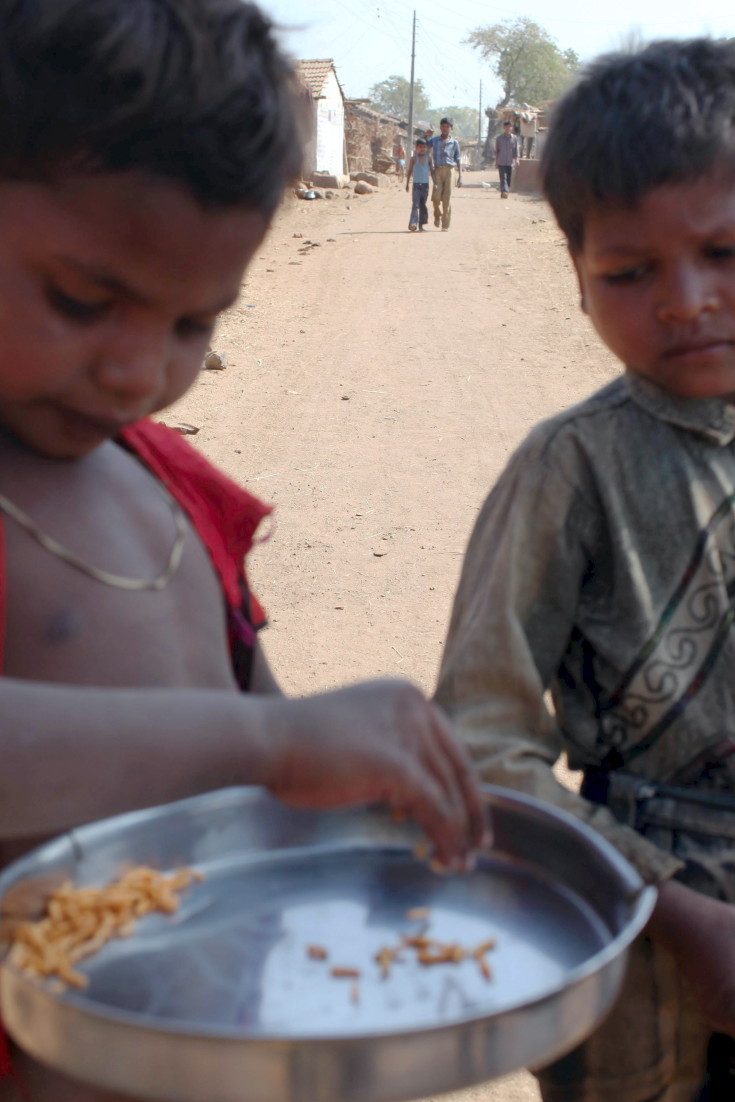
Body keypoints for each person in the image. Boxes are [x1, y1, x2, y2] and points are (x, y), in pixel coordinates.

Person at [0, 1, 486, 1098]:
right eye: (83, 299)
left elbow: (262, 726)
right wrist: (264, 744)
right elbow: (249, 742)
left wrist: (351, 760)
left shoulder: (165, 478)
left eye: (193, 324)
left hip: (210, 1035)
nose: (137, 371)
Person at [436, 36, 735, 1102]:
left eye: (724, 252)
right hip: (637, 931)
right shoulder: (571, 470)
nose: (688, 298)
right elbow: (481, 741)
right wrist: (679, 912)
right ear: (575, 280)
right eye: (631, 271)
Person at [428, 117, 461, 231]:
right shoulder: (434, 140)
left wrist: (460, 176)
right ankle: (437, 214)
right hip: (437, 170)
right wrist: (427, 135)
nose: (445, 129)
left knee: (447, 198)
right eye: (443, 126)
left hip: (450, 170)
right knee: (436, 196)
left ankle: (445, 224)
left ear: (451, 128)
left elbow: (458, 159)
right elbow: (423, 146)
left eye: (447, 127)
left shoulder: (455, 143)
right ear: (440, 127)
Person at [405, 137, 436, 231]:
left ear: (426, 148)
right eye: (420, 147)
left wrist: (435, 183)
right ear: (416, 148)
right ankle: (413, 224)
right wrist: (407, 184)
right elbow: (410, 170)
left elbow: (432, 171)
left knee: (423, 205)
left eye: (424, 147)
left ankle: (421, 225)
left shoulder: (429, 159)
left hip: (425, 186)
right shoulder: (413, 159)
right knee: (415, 205)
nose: (422, 149)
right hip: (416, 185)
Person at [494, 120, 519, 197]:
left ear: (511, 128)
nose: (508, 128)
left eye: (509, 127)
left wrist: (517, 159)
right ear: (504, 127)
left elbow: (516, 150)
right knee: (503, 178)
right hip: (501, 161)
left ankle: (505, 191)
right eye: (506, 127)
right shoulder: (499, 138)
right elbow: (497, 151)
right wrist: (496, 162)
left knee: (508, 179)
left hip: (510, 162)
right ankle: (504, 191)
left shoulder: (514, 138)